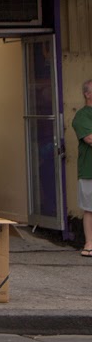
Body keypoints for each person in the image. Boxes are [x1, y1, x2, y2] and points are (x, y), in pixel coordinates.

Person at [76, 79, 92, 258]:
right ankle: (89, 243)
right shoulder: (82, 116)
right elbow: (89, 138)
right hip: (89, 170)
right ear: (87, 94)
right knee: (90, 207)